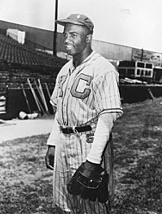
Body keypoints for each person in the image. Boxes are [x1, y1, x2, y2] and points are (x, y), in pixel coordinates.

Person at [45, 13, 123, 214]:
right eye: (65, 35)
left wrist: (93, 161)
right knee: (64, 204)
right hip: (64, 140)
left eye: (73, 35)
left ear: (88, 38)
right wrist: (53, 142)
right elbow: (60, 112)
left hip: (88, 142)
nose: (66, 40)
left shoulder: (103, 69)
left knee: (91, 206)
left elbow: (106, 120)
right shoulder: (64, 70)